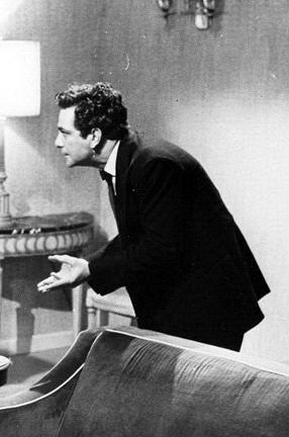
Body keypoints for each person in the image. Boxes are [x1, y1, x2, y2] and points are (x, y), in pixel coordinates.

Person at [37, 82, 269, 351]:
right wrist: (87, 264)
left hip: (208, 306)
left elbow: (159, 247)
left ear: (94, 136)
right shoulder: (128, 158)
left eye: (65, 133)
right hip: (184, 299)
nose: (58, 143)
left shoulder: (154, 164)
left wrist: (92, 269)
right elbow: (140, 235)